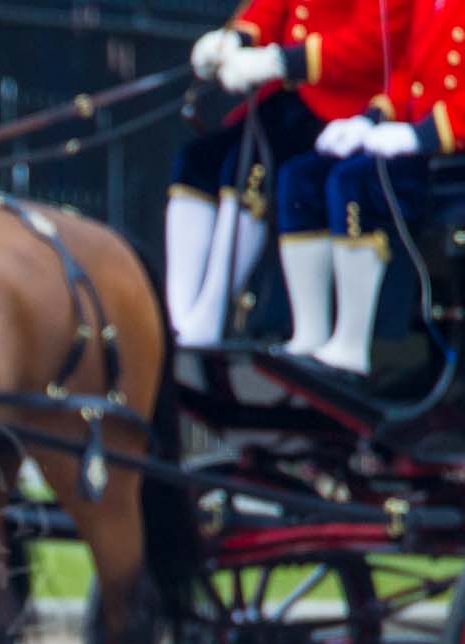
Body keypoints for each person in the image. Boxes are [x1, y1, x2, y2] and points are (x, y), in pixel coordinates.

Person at [168, 1, 405, 347]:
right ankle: (178, 315)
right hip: (291, 96)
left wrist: (282, 60)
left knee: (248, 172)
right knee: (196, 162)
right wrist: (234, 41)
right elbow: (270, 8)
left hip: (345, 104)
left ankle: (209, 315)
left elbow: (373, 42)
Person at [275, 1, 456, 375]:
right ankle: (310, 331)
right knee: (301, 178)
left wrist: (420, 135)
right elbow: (409, 67)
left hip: (450, 156)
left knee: (353, 183)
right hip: (418, 139)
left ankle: (351, 342)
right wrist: (373, 117)